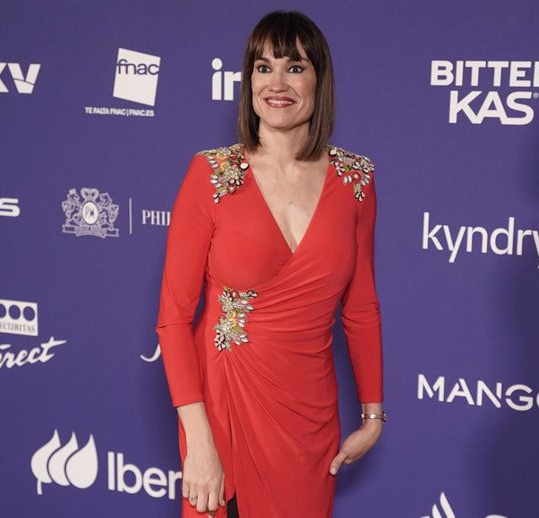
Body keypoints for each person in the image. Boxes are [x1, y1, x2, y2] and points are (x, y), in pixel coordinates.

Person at [155, 10, 385, 518]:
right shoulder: (210, 174)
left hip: (309, 418)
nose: (277, 83)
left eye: (295, 68)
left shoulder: (357, 181)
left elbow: (362, 305)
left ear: (319, 80)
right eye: (263, 68)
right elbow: (173, 318)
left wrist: (373, 413)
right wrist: (199, 442)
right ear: (248, 81)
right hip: (223, 407)